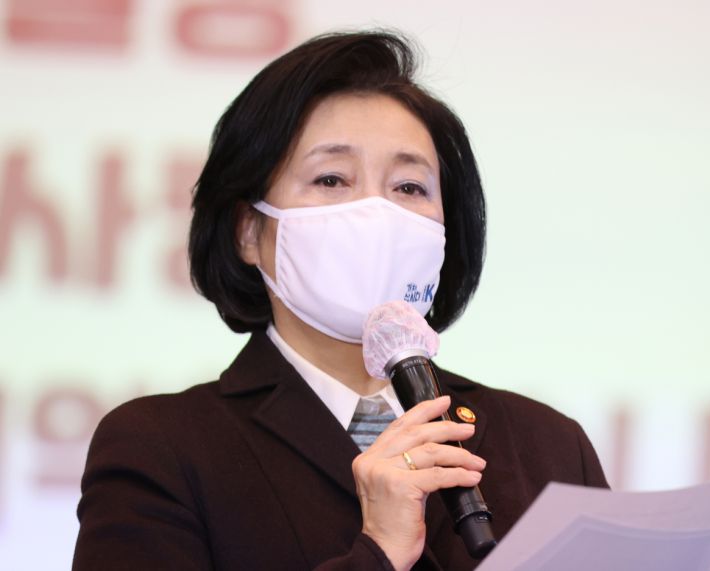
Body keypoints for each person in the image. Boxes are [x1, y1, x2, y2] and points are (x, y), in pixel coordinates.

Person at [73, 31, 608, 571]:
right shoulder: (162, 448)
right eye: (331, 179)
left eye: (409, 187)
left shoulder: (548, 446)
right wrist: (378, 552)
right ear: (249, 231)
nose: (376, 214)